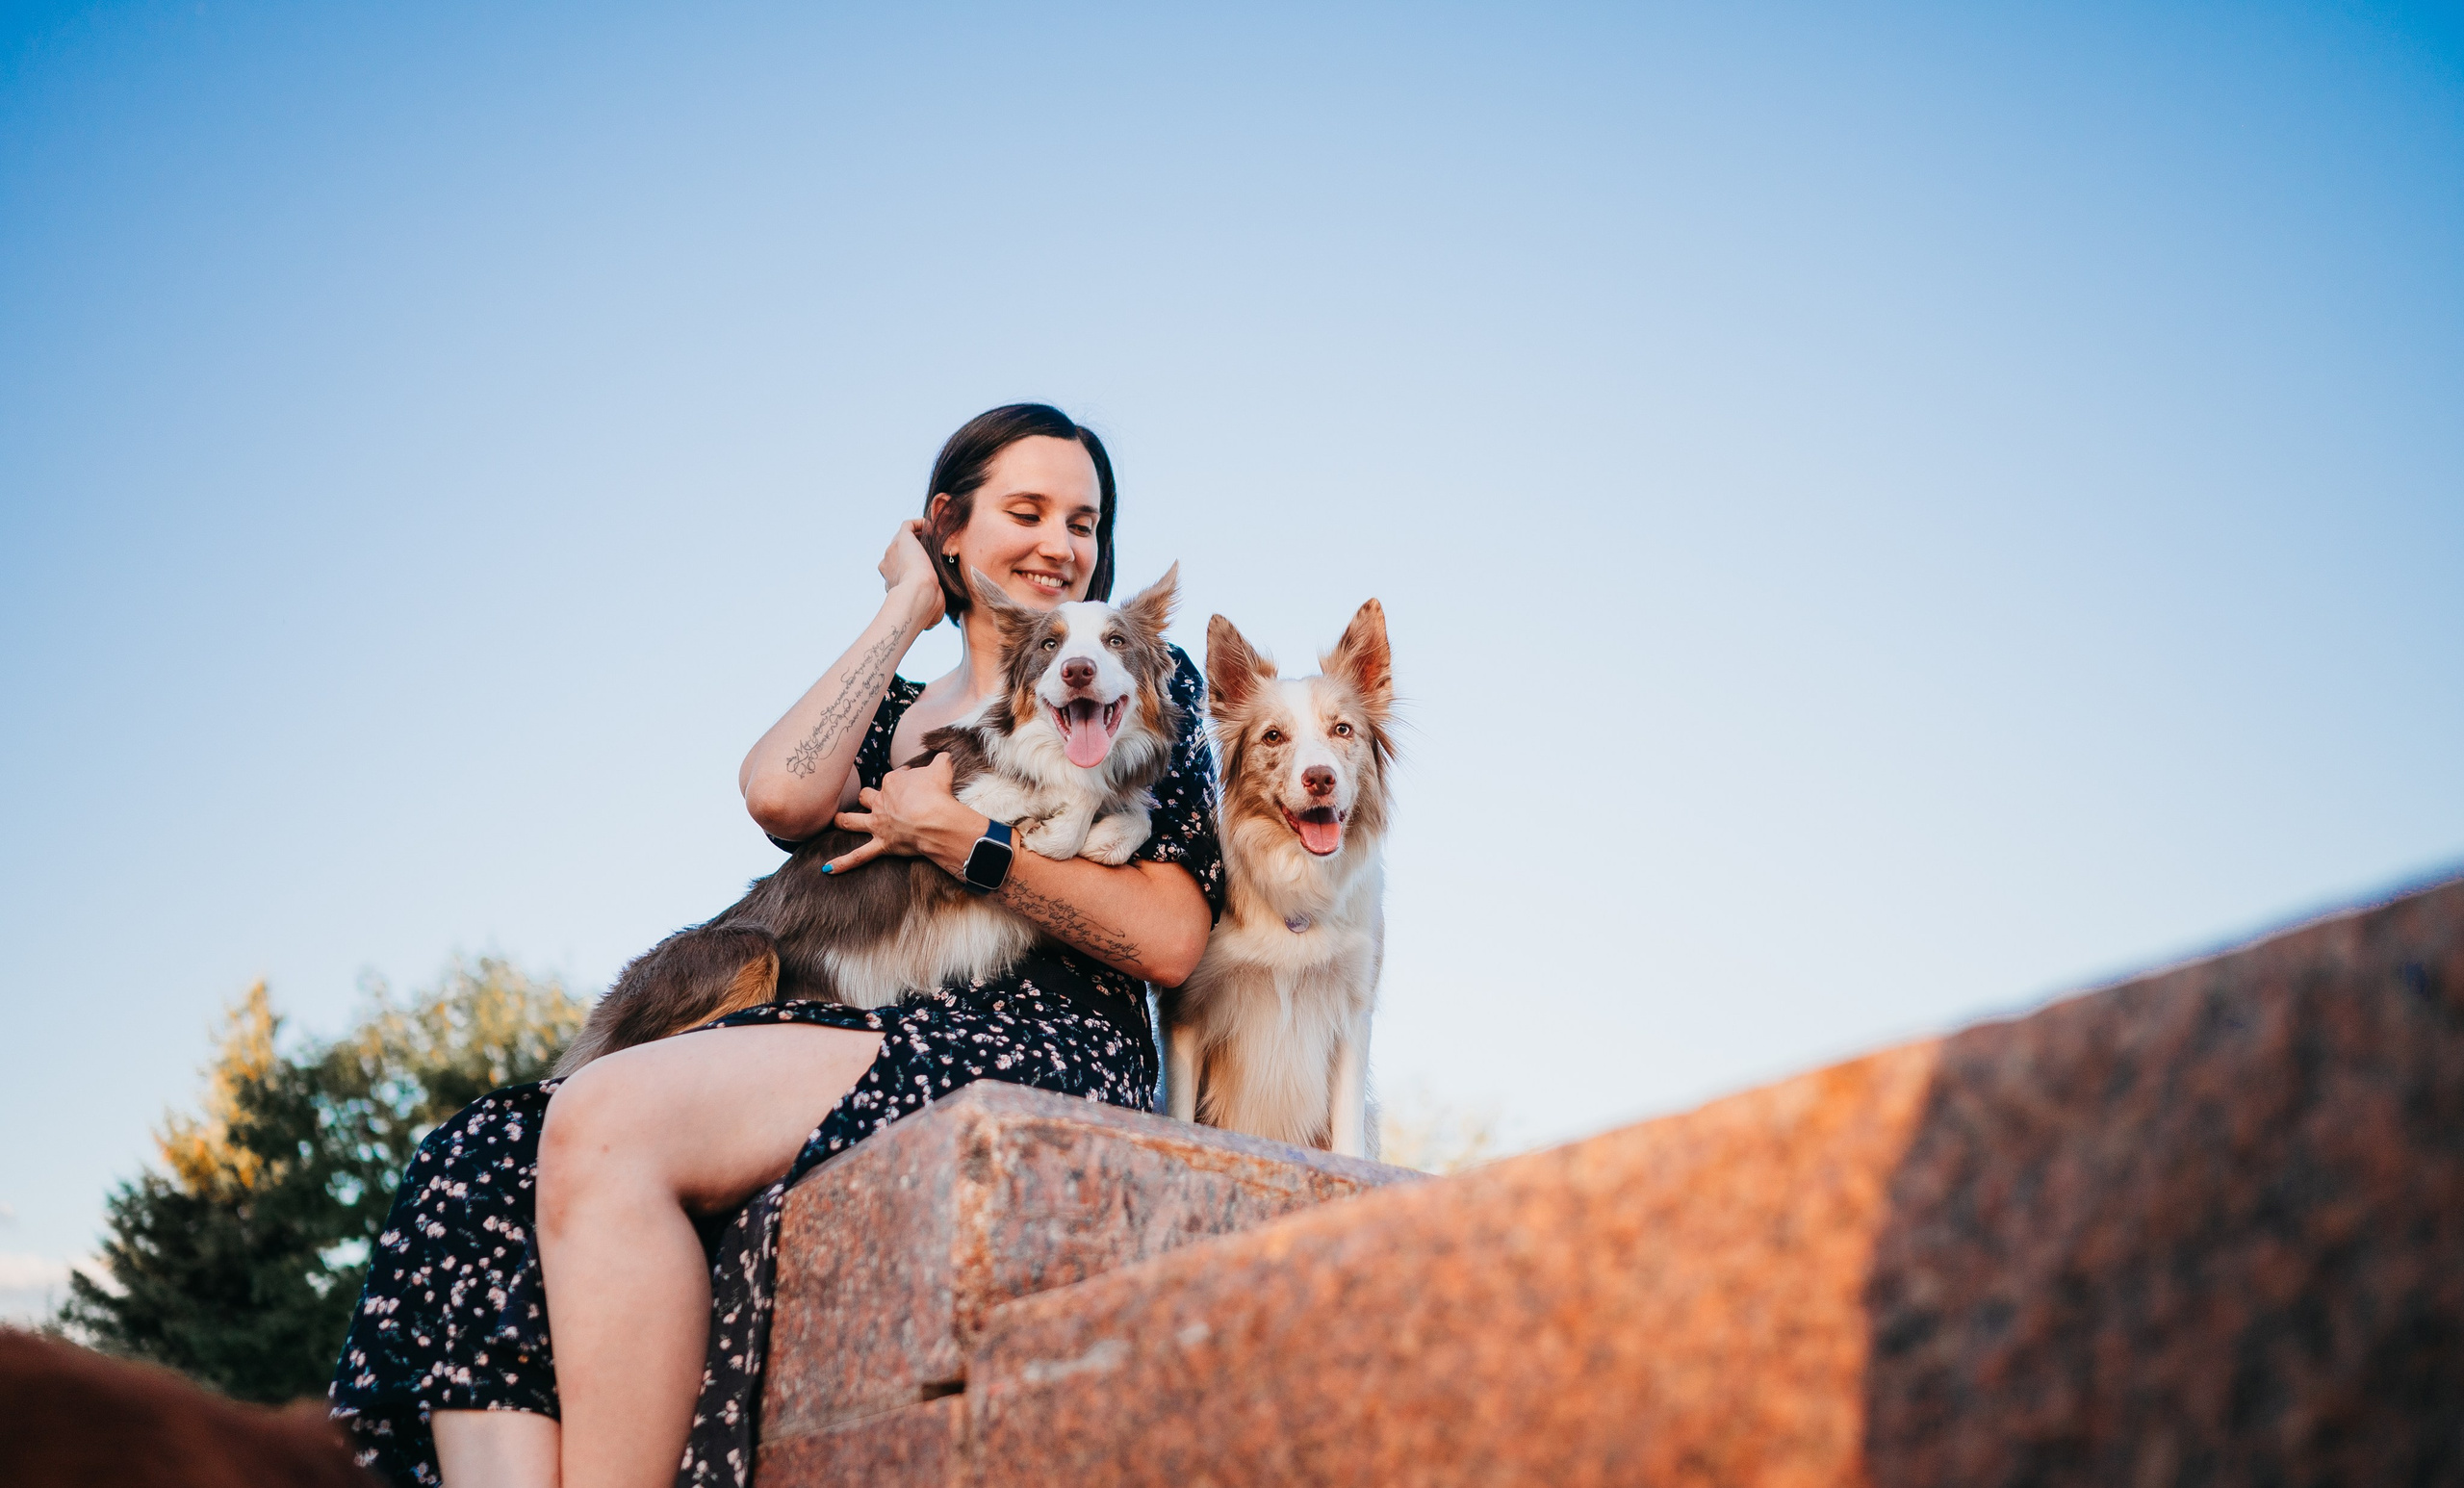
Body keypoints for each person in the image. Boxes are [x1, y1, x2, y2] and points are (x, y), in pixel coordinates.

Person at [328, 404, 1222, 1488]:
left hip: (1028, 1032)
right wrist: (904, 602)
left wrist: (967, 842)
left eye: (1083, 521)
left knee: (606, 1116)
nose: (1059, 542)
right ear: (948, 526)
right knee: (476, 1156)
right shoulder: (897, 703)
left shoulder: (1132, 677)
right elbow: (780, 792)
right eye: (1024, 511)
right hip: (840, 1015)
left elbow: (1174, 939)